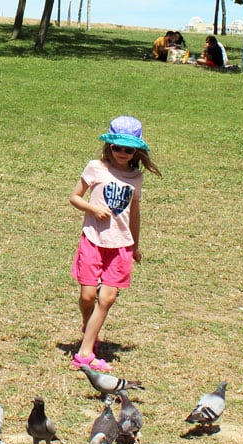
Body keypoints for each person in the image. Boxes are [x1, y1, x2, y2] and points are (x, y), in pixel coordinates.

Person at [69, 116, 161, 371]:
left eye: (128, 149)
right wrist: (92, 208)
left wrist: (135, 245)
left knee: (107, 298)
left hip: (121, 245)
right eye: (117, 147)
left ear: (137, 150)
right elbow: (74, 197)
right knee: (88, 296)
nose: (122, 153)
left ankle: (85, 352)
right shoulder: (95, 168)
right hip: (93, 240)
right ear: (108, 146)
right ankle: (89, 329)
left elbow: (134, 212)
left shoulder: (136, 178)